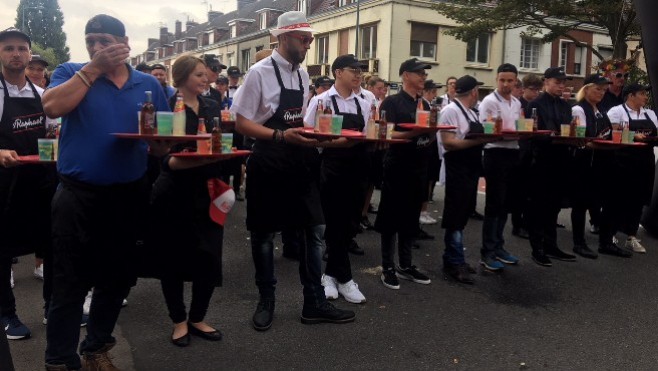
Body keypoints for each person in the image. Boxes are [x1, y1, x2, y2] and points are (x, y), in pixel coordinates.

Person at [41, 14, 169, 370]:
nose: (96, 48)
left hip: (128, 195)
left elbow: (158, 141)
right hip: (77, 195)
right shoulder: (71, 71)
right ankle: (59, 360)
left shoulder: (146, 83)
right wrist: (93, 69)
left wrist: (162, 145)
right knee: (69, 282)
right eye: (91, 40)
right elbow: (52, 107)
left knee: (117, 279)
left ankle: (96, 348)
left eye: (104, 41)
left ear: (124, 43)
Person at [231, 11, 355, 331]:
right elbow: (240, 120)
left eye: (311, 39)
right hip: (269, 159)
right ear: (284, 37)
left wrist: (320, 139)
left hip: (298, 160)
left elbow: (298, 120)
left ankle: (314, 301)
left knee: (313, 231)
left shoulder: (302, 76)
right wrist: (278, 135)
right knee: (263, 233)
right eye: (304, 38)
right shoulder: (259, 72)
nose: (309, 44)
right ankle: (266, 300)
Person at [149, 55, 226, 347]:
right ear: (179, 79)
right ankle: (178, 320)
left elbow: (220, 144)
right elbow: (164, 157)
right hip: (173, 192)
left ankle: (197, 317)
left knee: (208, 258)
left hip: (208, 190)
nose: (205, 79)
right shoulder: (167, 108)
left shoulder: (212, 106)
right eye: (198, 75)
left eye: (205, 75)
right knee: (173, 260)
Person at [0, 27, 58, 341]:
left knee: (50, 247)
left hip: (40, 184)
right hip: (4, 186)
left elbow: (53, 133)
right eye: (9, 48)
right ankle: (7, 314)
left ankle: (52, 308)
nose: (16, 54)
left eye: (21, 48)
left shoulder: (42, 96)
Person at [304, 54, 371, 304]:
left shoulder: (363, 103)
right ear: (338, 72)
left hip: (358, 167)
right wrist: (339, 142)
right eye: (354, 69)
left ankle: (331, 275)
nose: (358, 74)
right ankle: (344, 278)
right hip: (332, 168)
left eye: (360, 70)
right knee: (334, 223)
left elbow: (368, 134)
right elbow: (309, 136)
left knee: (351, 223)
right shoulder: (321, 100)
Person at [375, 58, 434, 290]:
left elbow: (430, 133)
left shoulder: (426, 105)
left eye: (425, 74)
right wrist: (412, 135)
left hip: (419, 167)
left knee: (411, 218)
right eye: (419, 73)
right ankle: (387, 266)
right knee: (391, 218)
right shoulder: (391, 102)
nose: (423, 77)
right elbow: (383, 133)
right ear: (405, 75)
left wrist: (427, 134)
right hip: (397, 166)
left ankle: (406, 264)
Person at [439, 75, 493, 284]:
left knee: (461, 216)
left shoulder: (472, 112)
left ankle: (454, 257)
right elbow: (449, 143)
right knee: (455, 216)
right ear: (473, 91)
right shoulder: (450, 111)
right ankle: (453, 263)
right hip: (457, 167)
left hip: (470, 168)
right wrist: (480, 140)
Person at [525, 67, 578, 267]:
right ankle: (537, 248)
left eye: (563, 82)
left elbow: (568, 128)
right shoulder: (535, 103)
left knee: (554, 206)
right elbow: (535, 132)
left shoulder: (565, 105)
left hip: (561, 159)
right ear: (546, 82)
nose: (561, 86)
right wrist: (554, 137)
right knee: (539, 206)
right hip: (542, 160)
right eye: (557, 82)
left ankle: (551, 244)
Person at [477, 63, 522, 271]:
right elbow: (488, 129)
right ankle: (487, 251)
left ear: (515, 81)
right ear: (497, 80)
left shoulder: (515, 102)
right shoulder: (489, 101)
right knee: (494, 205)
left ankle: (499, 246)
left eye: (510, 80)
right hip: (495, 152)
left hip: (513, 152)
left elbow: (519, 127)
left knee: (506, 203)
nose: (506, 84)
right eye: (502, 80)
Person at [606, 82, 658, 254]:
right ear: (631, 96)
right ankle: (611, 233)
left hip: (645, 160)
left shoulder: (649, 113)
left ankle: (631, 235)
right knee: (619, 198)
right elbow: (612, 132)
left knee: (639, 199)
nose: (645, 97)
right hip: (623, 159)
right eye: (642, 93)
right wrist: (635, 136)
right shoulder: (616, 111)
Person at [569, 73, 614, 259]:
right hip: (584, 162)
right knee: (580, 204)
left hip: (600, 162)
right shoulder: (579, 110)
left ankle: (605, 242)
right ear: (586, 89)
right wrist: (598, 143)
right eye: (598, 88)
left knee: (602, 203)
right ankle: (579, 243)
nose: (602, 93)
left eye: (604, 90)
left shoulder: (600, 110)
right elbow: (581, 140)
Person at [420, 79, 442, 225]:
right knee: (425, 180)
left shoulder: (430, 105)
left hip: (431, 144)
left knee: (428, 179)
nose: (435, 94)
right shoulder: (423, 104)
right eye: (433, 91)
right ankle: (422, 211)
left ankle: (424, 210)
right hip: (426, 145)